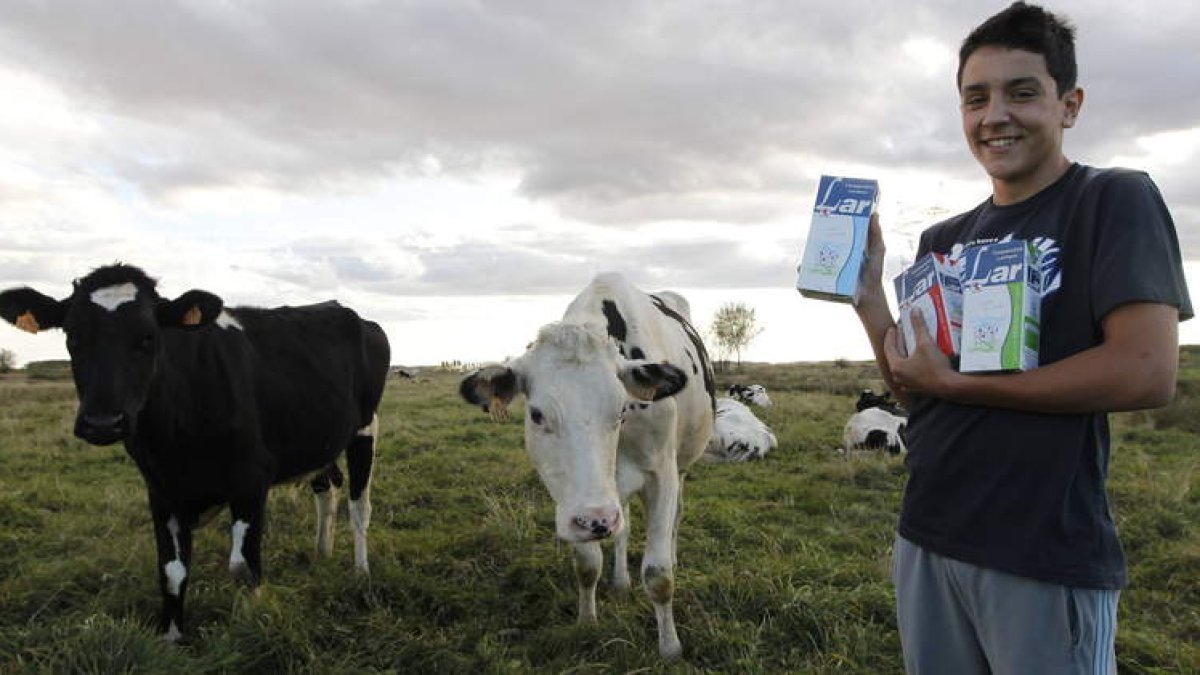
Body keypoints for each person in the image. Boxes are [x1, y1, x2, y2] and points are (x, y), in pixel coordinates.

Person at [852, 3, 1193, 673]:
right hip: (927, 534)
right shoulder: (943, 239)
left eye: (1022, 92)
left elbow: (1147, 371)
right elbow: (920, 392)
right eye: (975, 98)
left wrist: (955, 382)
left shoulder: (1110, 200)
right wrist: (868, 300)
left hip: (1039, 550)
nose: (994, 115)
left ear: (1070, 105)